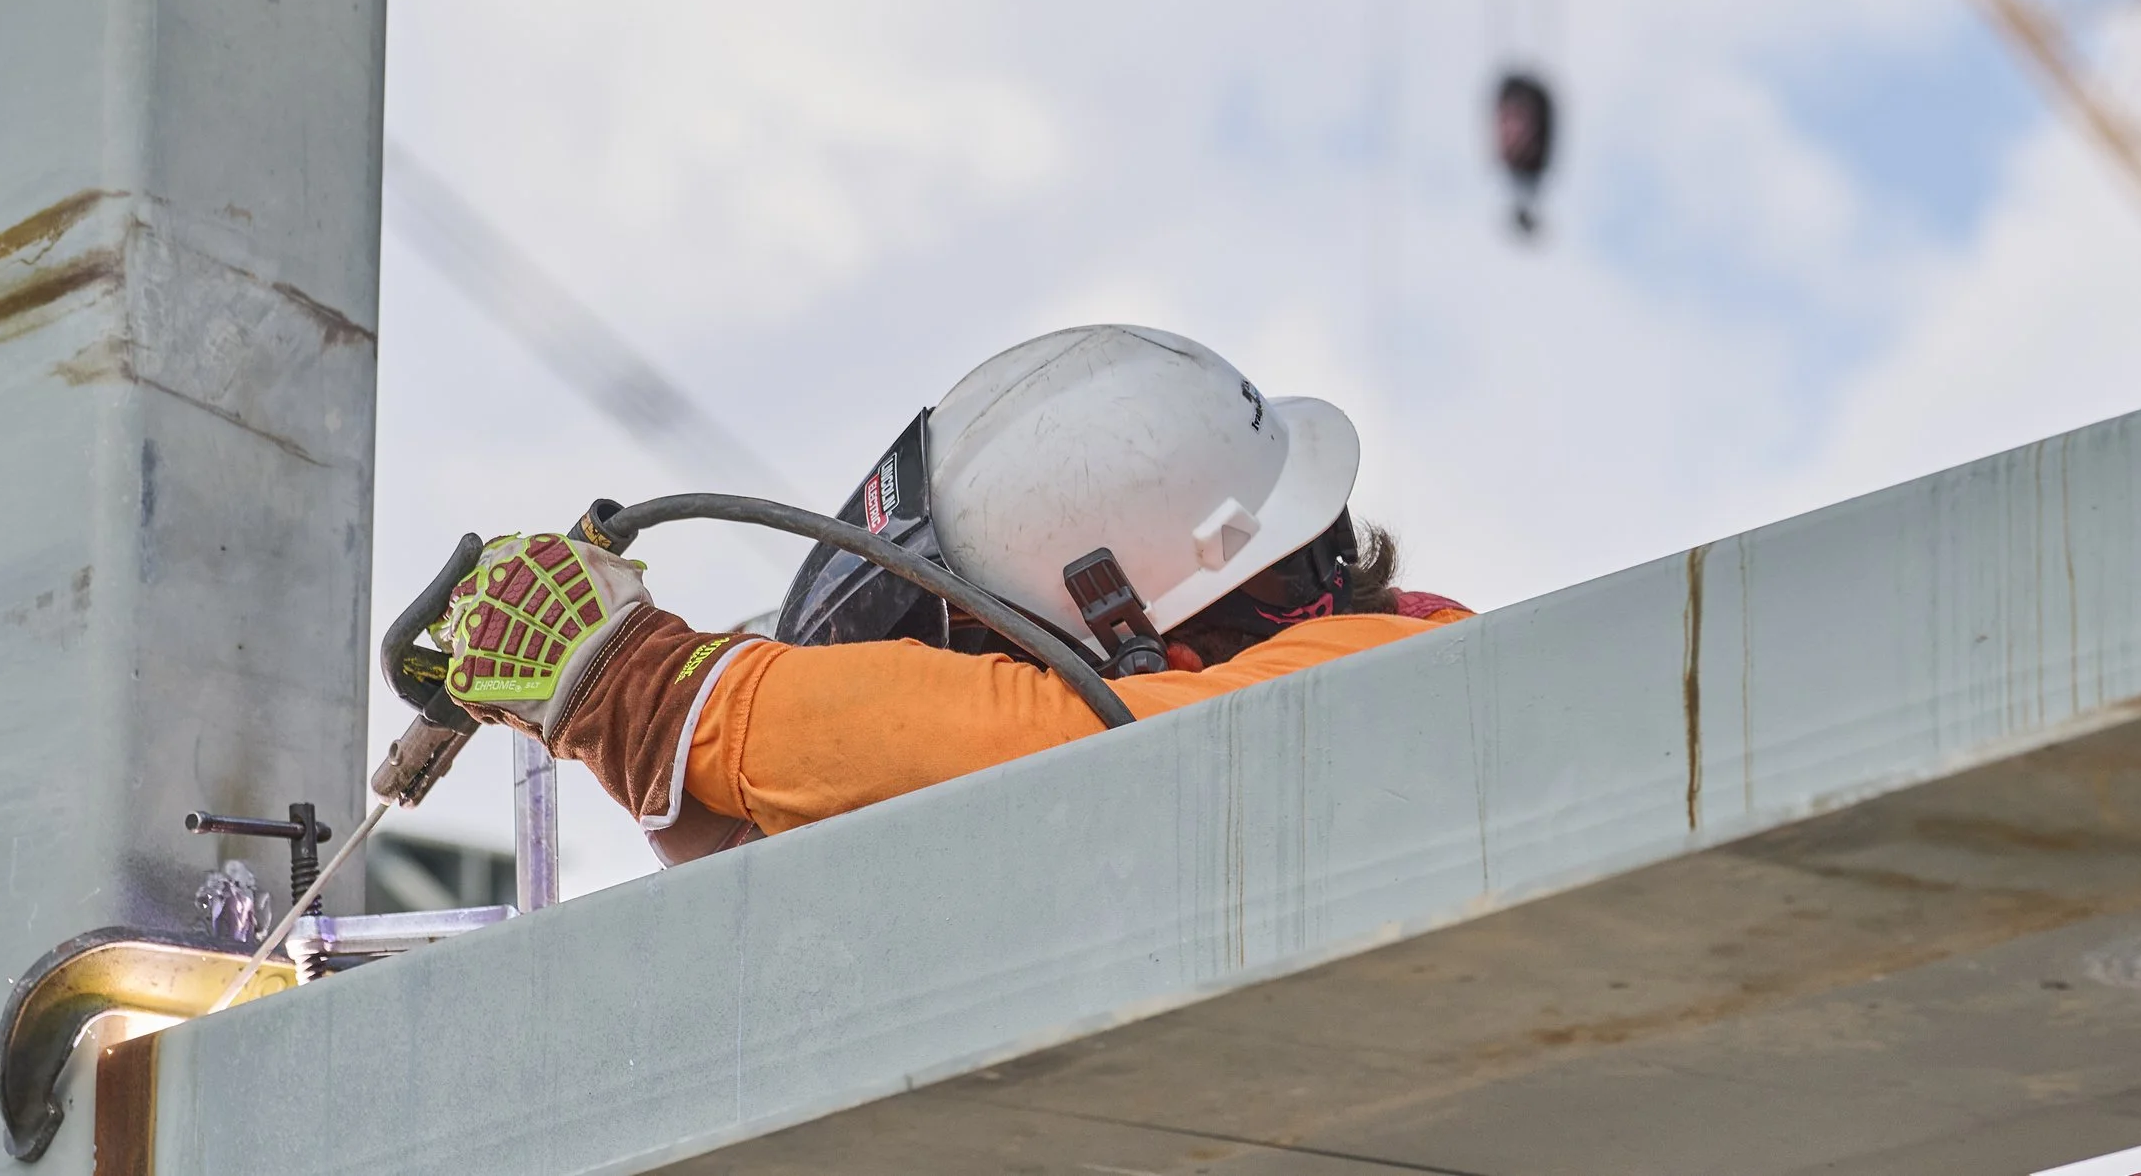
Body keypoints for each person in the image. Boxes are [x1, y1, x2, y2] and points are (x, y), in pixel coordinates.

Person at [434, 325, 1469, 863]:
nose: (966, 669)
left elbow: (1031, 742)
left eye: (982, 638)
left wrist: (659, 696)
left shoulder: (1392, 685)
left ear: (1123, 618)